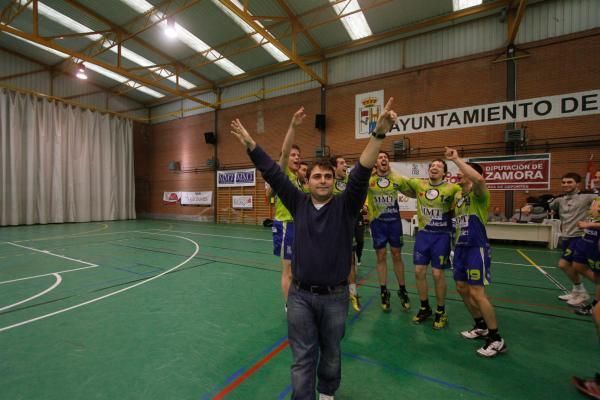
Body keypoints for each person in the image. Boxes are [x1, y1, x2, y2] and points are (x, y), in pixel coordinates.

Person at [230, 98, 398, 400]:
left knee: (331, 353)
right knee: (302, 356)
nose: (322, 180)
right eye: (316, 176)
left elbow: (362, 170)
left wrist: (379, 134)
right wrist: (250, 143)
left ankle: (327, 393)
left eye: (327, 176)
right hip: (300, 297)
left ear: (335, 181)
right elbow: (272, 170)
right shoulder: (298, 203)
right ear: (307, 182)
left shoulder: (347, 206)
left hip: (335, 297)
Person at [445, 147, 507, 357]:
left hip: (476, 248)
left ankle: (496, 338)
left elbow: (479, 181)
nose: (459, 173)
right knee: (462, 288)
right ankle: (480, 325)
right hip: (460, 249)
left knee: (477, 293)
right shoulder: (459, 198)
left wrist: (456, 159)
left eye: (464, 172)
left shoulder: (479, 195)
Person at [393, 159, 460, 329]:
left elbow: (463, 198)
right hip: (423, 235)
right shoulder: (419, 185)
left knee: (438, 274)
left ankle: (441, 311)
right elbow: (399, 181)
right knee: (418, 271)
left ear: (445, 173)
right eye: (432, 166)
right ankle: (424, 308)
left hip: (441, 236)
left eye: (439, 166)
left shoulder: (452, 188)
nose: (434, 167)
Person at [267, 108, 307, 310]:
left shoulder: (299, 180)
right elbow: (283, 155)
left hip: (299, 226)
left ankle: (298, 299)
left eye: (298, 155)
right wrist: (293, 126)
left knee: (299, 269)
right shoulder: (282, 174)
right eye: (293, 154)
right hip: (285, 226)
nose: (296, 157)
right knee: (289, 270)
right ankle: (289, 306)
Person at [366, 150, 411, 312]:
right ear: (376, 163)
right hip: (377, 223)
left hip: (394, 223)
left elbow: (411, 192)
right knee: (381, 255)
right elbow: (355, 189)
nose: (383, 159)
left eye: (385, 157)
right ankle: (384, 291)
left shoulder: (396, 178)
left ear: (388, 162)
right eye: (380, 157)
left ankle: (402, 290)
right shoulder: (369, 179)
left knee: (396, 254)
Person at [550, 173, 597, 307]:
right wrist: (530, 208)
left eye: (569, 182)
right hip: (566, 237)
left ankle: (582, 292)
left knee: (564, 264)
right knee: (571, 266)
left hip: (579, 236)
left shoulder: (587, 197)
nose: (566, 184)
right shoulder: (560, 200)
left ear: (577, 184)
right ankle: (577, 291)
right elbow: (547, 204)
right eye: (563, 182)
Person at [331, 155, 365, 312]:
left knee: (350, 261)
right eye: (342, 163)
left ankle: (353, 294)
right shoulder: (327, 182)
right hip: (330, 228)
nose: (346, 165)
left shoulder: (349, 182)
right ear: (334, 167)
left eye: (346, 163)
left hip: (347, 227)